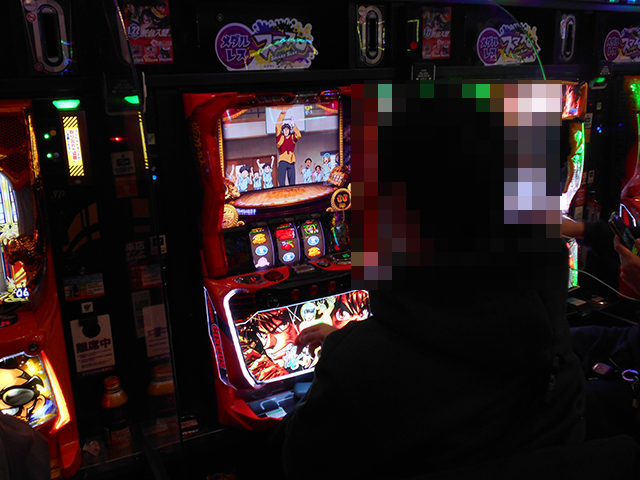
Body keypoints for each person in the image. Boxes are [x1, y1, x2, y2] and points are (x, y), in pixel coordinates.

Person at [276, 110, 301, 187]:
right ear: (282, 131)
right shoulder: (280, 137)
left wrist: (294, 126)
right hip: (283, 160)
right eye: (284, 129)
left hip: (291, 160)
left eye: (287, 129)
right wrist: (282, 115)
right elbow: (278, 126)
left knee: (292, 182)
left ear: (289, 130)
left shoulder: (292, 137)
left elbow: (299, 135)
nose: (286, 131)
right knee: (281, 181)